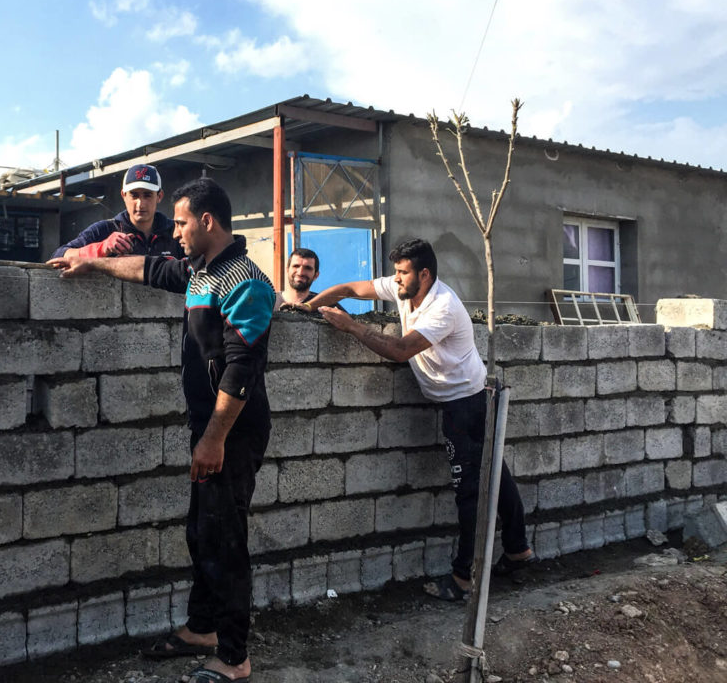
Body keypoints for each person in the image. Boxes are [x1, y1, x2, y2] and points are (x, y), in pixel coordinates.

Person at [48, 177, 273, 683]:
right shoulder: (200, 271)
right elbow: (151, 269)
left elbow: (242, 371)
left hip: (232, 430)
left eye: (184, 222)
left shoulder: (247, 281)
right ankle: (202, 628)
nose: (176, 232)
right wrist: (89, 260)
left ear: (208, 222)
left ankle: (235, 658)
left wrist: (213, 439)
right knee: (201, 531)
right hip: (209, 427)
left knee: (225, 538)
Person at [297, 238, 536, 601]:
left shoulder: (443, 306)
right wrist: (309, 307)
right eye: (394, 272)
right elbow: (350, 288)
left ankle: (463, 578)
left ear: (424, 274)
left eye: (403, 272)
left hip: (465, 403)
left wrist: (351, 327)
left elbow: (399, 350)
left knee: (469, 490)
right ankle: (519, 551)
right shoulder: (405, 290)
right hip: (463, 399)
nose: (396, 279)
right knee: (495, 473)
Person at [50, 163, 184, 259]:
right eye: (134, 195)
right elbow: (59, 255)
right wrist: (102, 248)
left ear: (159, 196)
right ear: (124, 196)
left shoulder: (176, 232)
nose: (140, 204)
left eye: (147, 195)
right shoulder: (103, 230)